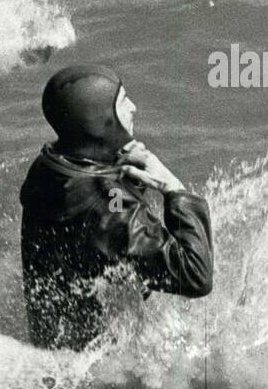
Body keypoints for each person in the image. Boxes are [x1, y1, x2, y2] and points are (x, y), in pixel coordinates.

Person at [20, 66, 213, 350]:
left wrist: (115, 164)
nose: (134, 107)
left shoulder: (50, 165)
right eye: (123, 102)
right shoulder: (109, 206)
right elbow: (195, 276)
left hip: (54, 339)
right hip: (97, 364)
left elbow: (99, 223)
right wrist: (172, 187)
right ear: (98, 121)